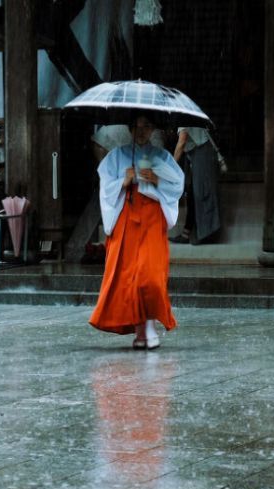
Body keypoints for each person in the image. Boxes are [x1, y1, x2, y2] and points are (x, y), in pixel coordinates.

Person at [89, 113, 184, 350]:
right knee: (129, 278)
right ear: (130, 129)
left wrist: (157, 179)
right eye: (137, 126)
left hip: (152, 217)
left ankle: (149, 327)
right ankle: (141, 331)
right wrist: (123, 180)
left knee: (149, 276)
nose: (141, 131)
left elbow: (177, 185)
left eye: (147, 126)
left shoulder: (161, 157)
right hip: (126, 219)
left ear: (153, 129)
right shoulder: (116, 156)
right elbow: (105, 186)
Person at [170, 127, 224, 244]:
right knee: (191, 193)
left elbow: (182, 142)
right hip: (194, 154)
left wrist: (171, 165)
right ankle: (186, 233)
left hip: (202, 152)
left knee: (202, 193)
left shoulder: (184, 116)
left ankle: (206, 234)